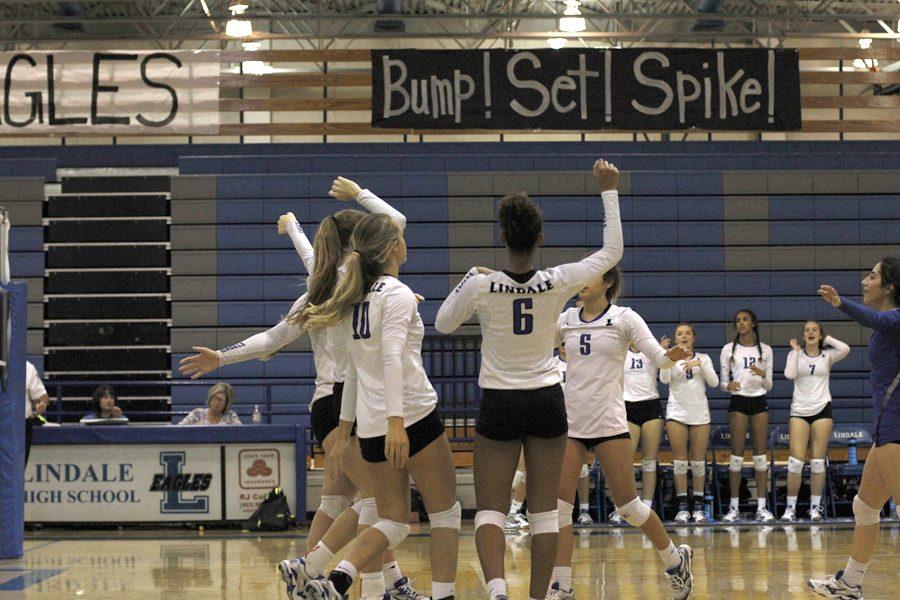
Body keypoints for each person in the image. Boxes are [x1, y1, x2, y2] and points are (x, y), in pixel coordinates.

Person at [181, 179, 425, 600]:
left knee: (337, 501)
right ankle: (358, 582)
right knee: (377, 506)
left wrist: (220, 357)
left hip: (329, 404)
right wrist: (358, 195)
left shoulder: (323, 285)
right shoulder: (355, 285)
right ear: (362, 247)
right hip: (347, 403)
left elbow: (273, 337)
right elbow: (395, 222)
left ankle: (319, 576)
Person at [435, 159, 624, 600]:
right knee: (544, 514)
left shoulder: (483, 286)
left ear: (502, 236)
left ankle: (499, 591)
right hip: (545, 401)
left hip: (499, 402)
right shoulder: (556, 281)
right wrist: (608, 190)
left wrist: (473, 275)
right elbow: (611, 254)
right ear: (540, 239)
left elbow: (443, 323)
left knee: (491, 511)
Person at [296, 213, 460, 600]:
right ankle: (442, 595)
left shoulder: (353, 299)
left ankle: (331, 573)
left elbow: (350, 373)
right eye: (400, 237)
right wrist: (398, 422)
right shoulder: (397, 294)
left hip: (369, 428)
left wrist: (346, 427)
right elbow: (391, 358)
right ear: (392, 248)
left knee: (392, 521)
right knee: (445, 517)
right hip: (411, 416)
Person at [548, 268, 694, 600]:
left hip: (610, 424)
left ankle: (675, 560)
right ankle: (563, 585)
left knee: (629, 508)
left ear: (608, 283)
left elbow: (659, 357)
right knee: (559, 508)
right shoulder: (566, 318)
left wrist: (671, 356)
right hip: (572, 426)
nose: (582, 282)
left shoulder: (625, 318)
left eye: (591, 277)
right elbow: (542, 347)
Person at [808, 258, 900, 600]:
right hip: (885, 432)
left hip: (896, 432)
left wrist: (839, 303)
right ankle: (849, 583)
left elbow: (874, 317)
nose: (864, 281)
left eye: (872, 276)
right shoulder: (888, 325)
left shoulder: (895, 318)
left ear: (889, 286)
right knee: (865, 507)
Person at [781, 322, 850, 522]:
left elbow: (845, 349)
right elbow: (790, 375)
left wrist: (828, 340)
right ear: (803, 336)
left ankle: (815, 508)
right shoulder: (795, 354)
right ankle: (790, 508)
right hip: (799, 411)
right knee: (795, 462)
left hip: (822, 409)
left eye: (815, 330)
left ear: (819, 335)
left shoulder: (827, 356)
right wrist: (795, 352)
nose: (810, 332)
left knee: (818, 462)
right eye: (807, 330)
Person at [719, 309, 775, 523]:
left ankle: (761, 506)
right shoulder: (728, 350)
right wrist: (728, 385)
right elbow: (723, 382)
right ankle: (733, 507)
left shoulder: (766, 350)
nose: (741, 324)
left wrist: (762, 375)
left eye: (745, 320)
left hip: (759, 401)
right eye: (738, 321)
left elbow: (769, 385)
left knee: (760, 455)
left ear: (753, 323)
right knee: (737, 456)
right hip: (739, 401)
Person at [660, 323, 718, 524]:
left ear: (693, 337)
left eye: (687, 333)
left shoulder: (704, 358)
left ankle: (699, 507)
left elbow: (714, 383)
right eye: (679, 334)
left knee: (698, 461)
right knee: (680, 461)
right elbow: (664, 379)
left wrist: (700, 365)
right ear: (675, 338)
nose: (683, 336)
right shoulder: (671, 359)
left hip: (699, 414)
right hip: (677, 413)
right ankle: (683, 506)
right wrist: (668, 357)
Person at [611, 337, 667, 520]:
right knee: (624, 461)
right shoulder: (621, 353)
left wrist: (664, 350)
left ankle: (647, 507)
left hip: (651, 405)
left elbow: (665, 366)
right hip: (628, 407)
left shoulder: (651, 352)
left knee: (649, 461)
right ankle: (623, 508)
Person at [24, 360, 49, 464]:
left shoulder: (27, 367)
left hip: (21, 427)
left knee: (17, 471)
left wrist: (42, 403)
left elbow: (42, 396)